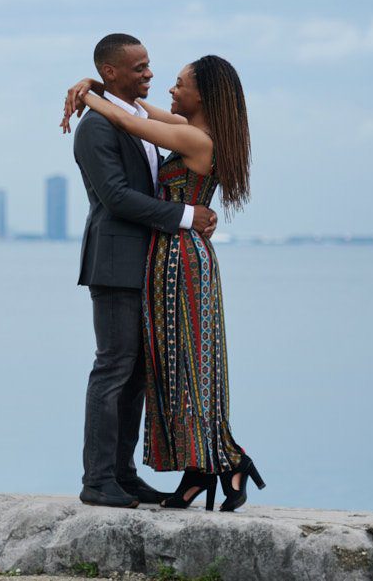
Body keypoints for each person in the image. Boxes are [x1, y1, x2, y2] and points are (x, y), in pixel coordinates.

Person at [64, 47, 264, 512]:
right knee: (132, 368)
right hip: (149, 259)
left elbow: (135, 122)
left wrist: (87, 93)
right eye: (145, 70)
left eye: (178, 82)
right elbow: (120, 177)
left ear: (203, 97)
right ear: (113, 71)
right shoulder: (172, 128)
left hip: (178, 259)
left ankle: (205, 462)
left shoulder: (195, 138)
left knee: (172, 370)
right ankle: (108, 477)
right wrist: (93, 91)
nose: (163, 83)